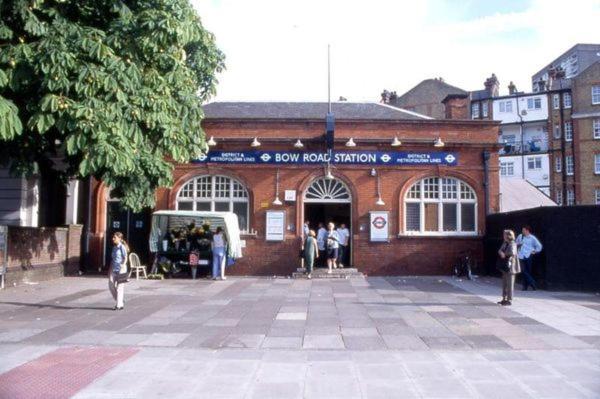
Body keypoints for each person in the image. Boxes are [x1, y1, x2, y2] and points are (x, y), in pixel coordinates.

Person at [497, 229, 520, 306]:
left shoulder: (513, 244)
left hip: (511, 266)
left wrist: (504, 254)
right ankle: (504, 298)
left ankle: (509, 300)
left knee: (510, 283)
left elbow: (512, 253)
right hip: (505, 265)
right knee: (504, 283)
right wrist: (501, 253)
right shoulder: (505, 243)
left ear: (508, 236)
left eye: (504, 235)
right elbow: (499, 250)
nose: (503, 236)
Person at [516, 225, 543, 291]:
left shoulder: (532, 238)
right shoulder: (520, 236)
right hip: (521, 255)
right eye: (522, 230)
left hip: (528, 255)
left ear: (527, 231)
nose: (522, 231)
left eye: (523, 230)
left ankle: (525, 286)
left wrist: (534, 251)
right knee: (523, 270)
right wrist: (518, 244)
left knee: (528, 271)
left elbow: (539, 246)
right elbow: (516, 243)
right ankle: (533, 282)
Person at [108, 232, 128, 310]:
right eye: (113, 237)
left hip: (121, 269)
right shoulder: (114, 247)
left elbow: (125, 257)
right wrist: (109, 270)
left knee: (120, 287)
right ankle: (120, 300)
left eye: (115, 237)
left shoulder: (122, 247)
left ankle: (119, 305)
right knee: (111, 285)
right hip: (113, 269)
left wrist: (123, 265)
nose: (113, 239)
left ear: (119, 239)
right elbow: (113, 259)